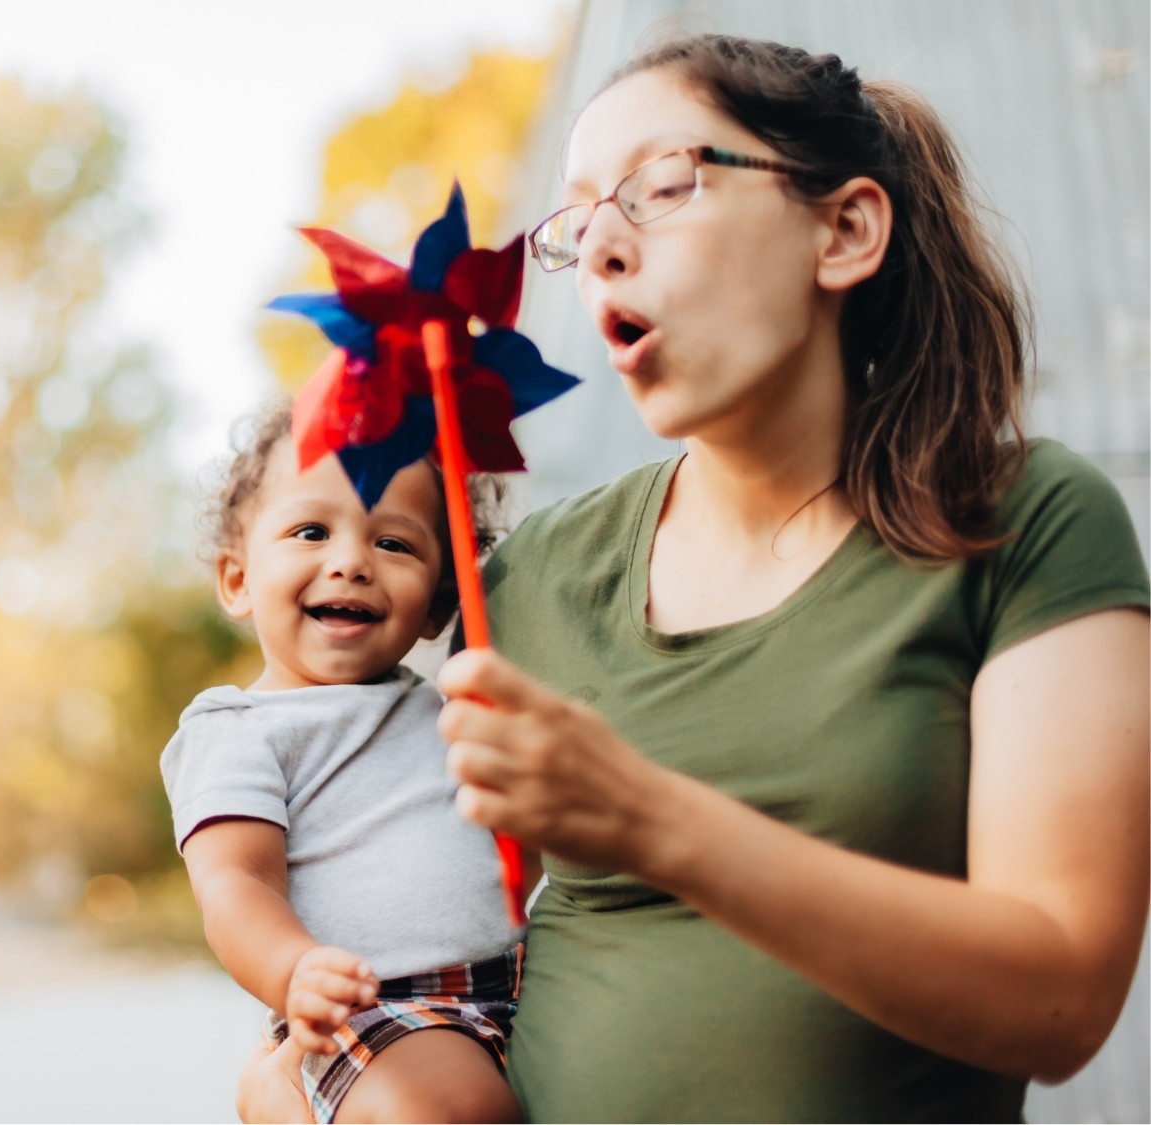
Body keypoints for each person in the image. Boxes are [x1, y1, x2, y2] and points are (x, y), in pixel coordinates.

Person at [417, 31, 1151, 1122]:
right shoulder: (527, 581)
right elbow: (411, 938)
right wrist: (312, 1058)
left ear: (845, 229)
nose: (604, 247)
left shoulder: (1027, 523)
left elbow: (1064, 998)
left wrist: (652, 818)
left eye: (660, 185)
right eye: (578, 223)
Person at [161, 402, 532, 1125]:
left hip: (515, 989)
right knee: (454, 1109)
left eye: (394, 542)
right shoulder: (240, 729)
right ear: (236, 579)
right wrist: (293, 969)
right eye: (310, 531)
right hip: (372, 1008)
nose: (351, 560)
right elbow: (234, 882)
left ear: (437, 602)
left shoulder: (446, 703)